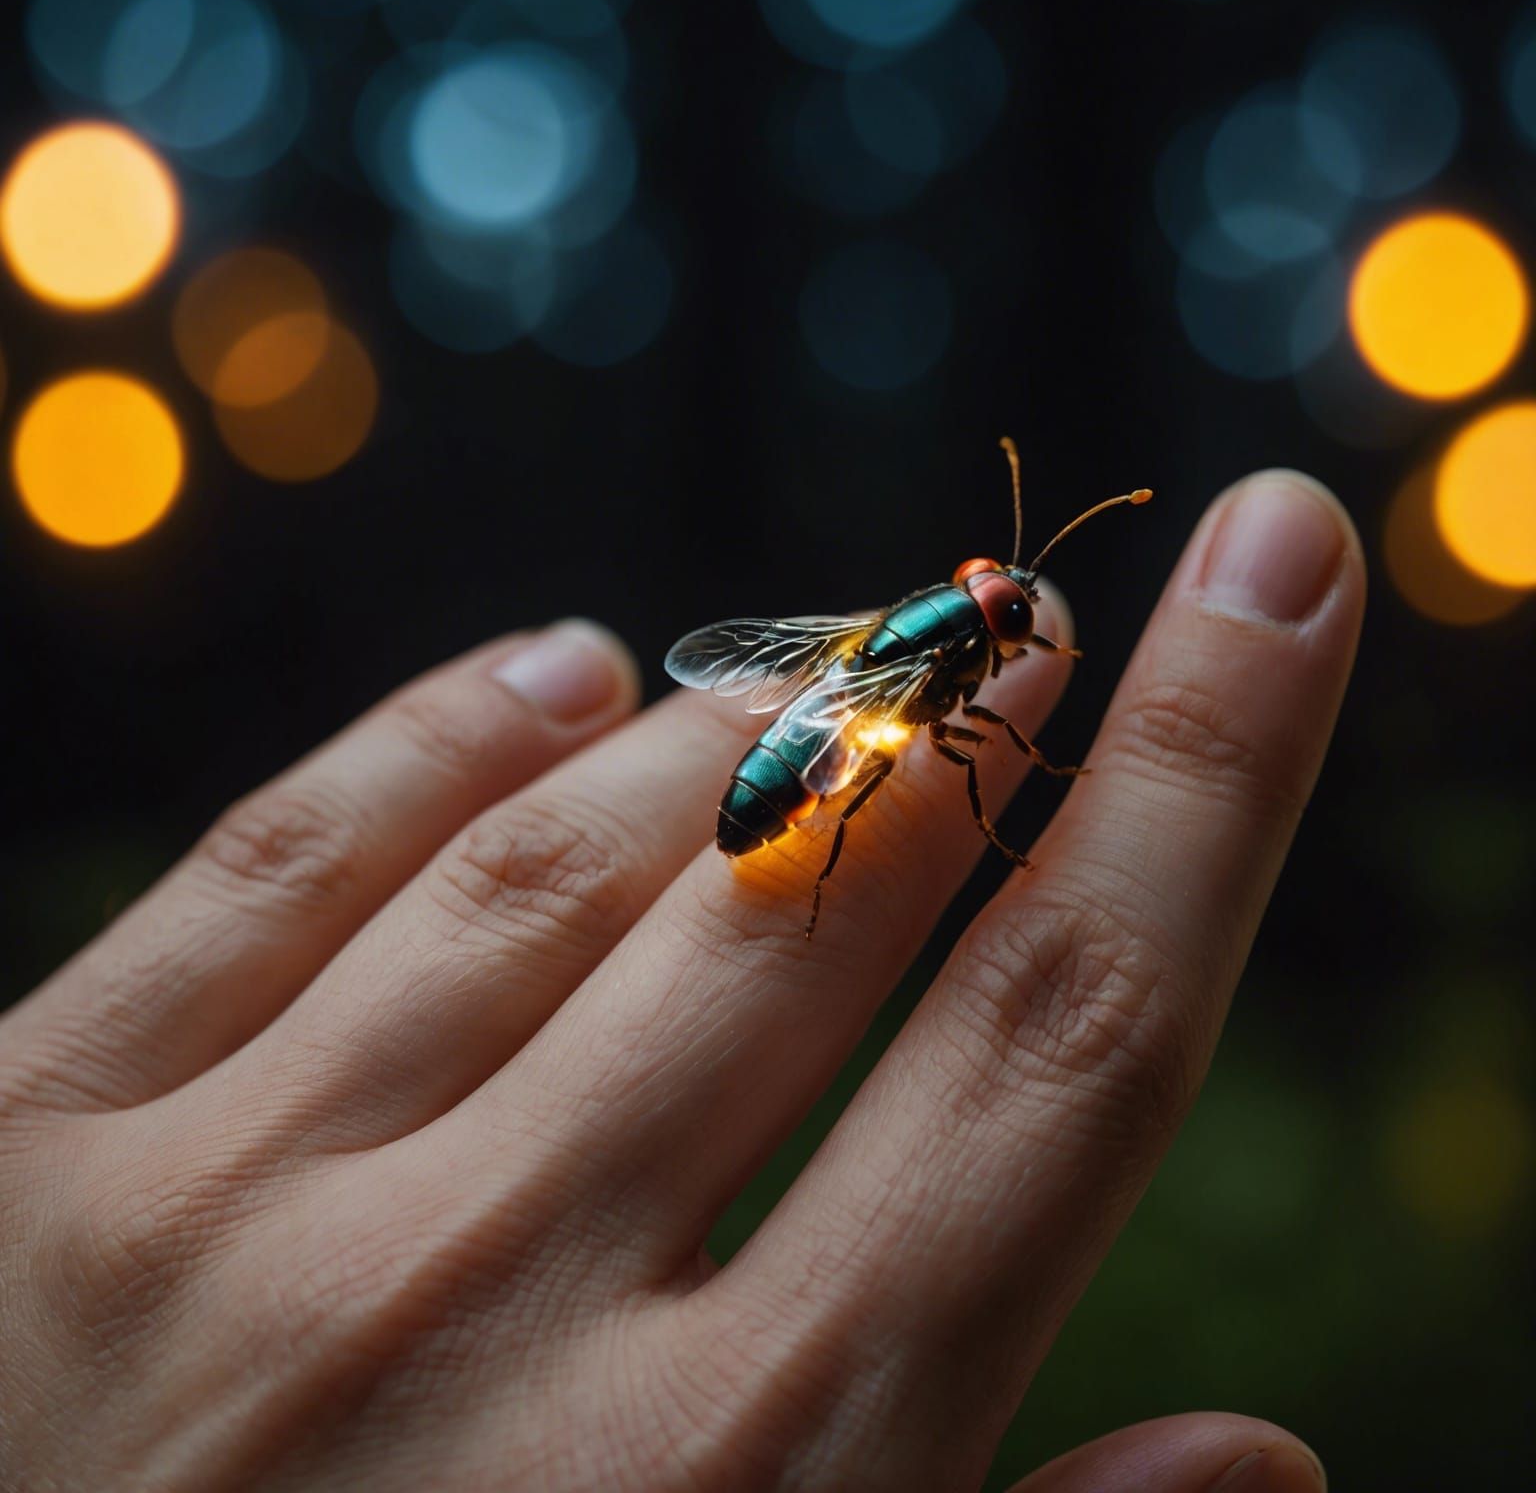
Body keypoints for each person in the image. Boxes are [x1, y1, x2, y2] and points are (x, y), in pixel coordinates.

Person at [0, 471, 1359, 1492]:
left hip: (799, 733)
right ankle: (845, 849)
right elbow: (916, 717)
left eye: (1008, 606)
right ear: (975, 611)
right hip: (796, 769)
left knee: (872, 754)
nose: (1006, 613)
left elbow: (853, 687)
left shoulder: (929, 634)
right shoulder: (949, 655)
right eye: (1001, 603)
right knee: (875, 770)